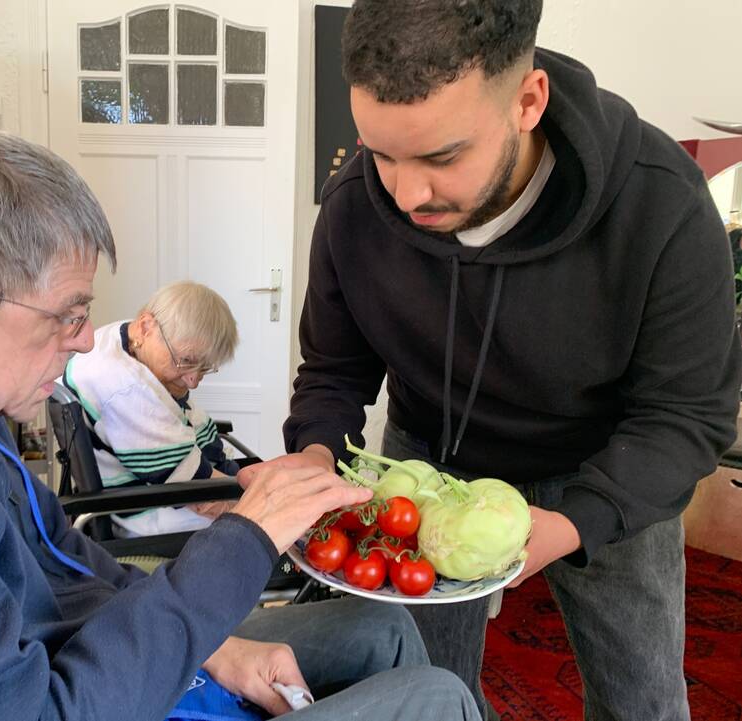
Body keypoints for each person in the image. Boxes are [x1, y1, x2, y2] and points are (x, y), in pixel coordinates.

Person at [0, 131, 480, 721]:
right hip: (67, 691)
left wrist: (211, 644)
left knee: (383, 628)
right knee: (435, 696)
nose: (86, 340)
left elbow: (64, 557)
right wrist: (242, 543)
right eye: (67, 313)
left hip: (79, 657)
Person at [240, 2, 742, 720]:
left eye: (441, 156)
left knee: (641, 698)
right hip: (429, 459)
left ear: (527, 101)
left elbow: (686, 415)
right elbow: (332, 372)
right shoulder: (354, 206)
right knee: (422, 686)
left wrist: (573, 522)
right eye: (380, 152)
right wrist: (315, 458)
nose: (405, 194)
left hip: (609, 466)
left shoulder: (658, 200)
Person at [62, 281, 241, 537]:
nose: (193, 381)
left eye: (204, 368)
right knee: (265, 527)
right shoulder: (126, 390)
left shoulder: (122, 337)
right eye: (186, 361)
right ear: (146, 327)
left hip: (149, 485)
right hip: (144, 511)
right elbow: (198, 490)